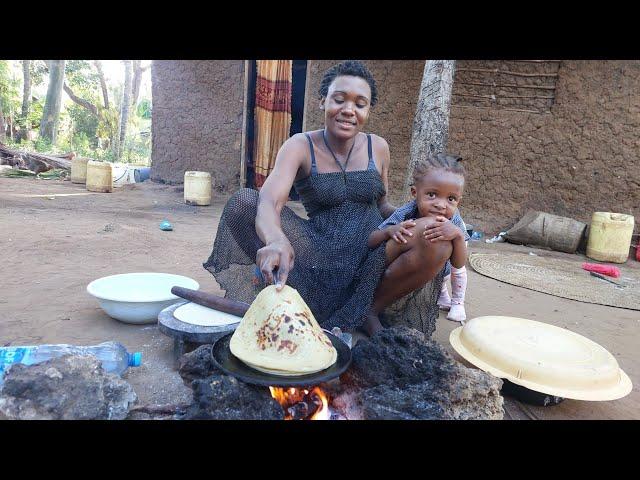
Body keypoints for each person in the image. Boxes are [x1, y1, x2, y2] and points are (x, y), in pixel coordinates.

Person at [204, 60, 455, 338]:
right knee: (245, 203)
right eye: (339, 100)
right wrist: (276, 239)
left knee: (437, 236)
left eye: (360, 104)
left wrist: (419, 217)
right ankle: (302, 294)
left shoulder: (378, 147)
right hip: (319, 253)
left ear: (368, 111)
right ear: (323, 101)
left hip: (373, 250)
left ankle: (369, 309)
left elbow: (383, 205)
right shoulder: (300, 146)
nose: (349, 110)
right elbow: (269, 202)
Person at [368, 153, 469, 326]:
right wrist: (390, 231)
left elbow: (459, 265)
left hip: (441, 269)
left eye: (450, 199)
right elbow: (371, 240)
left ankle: (456, 301)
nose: (441, 205)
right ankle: (371, 307)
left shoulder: (455, 220)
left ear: (458, 201)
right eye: (432, 195)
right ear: (415, 192)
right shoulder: (406, 212)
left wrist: (458, 235)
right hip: (402, 264)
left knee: (447, 259)